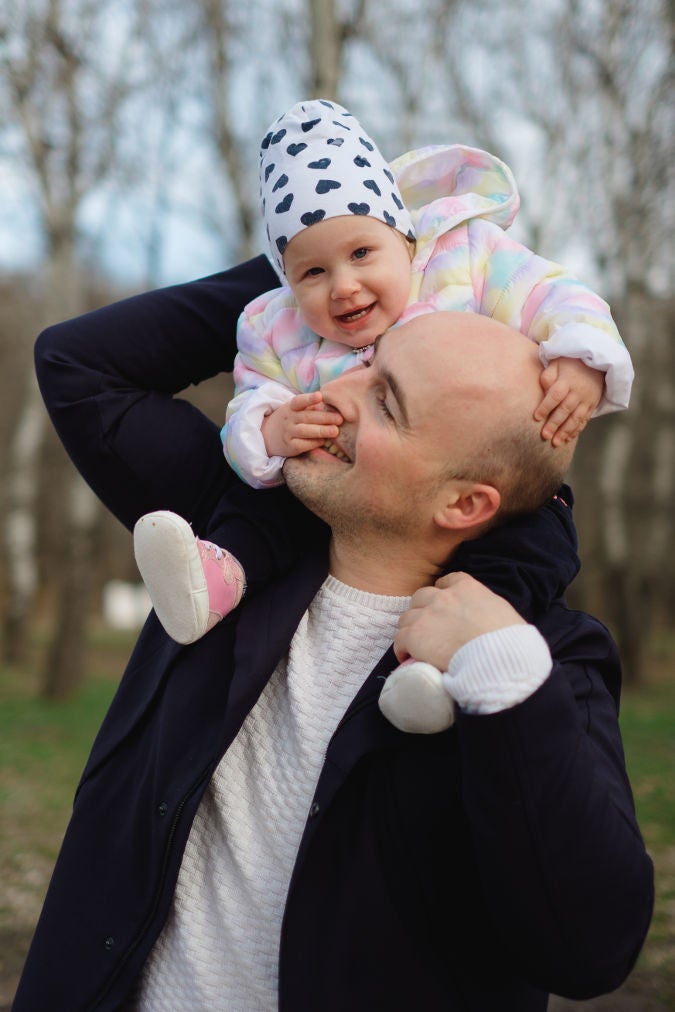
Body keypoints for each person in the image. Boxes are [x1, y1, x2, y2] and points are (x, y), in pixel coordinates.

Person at [14, 274, 652, 1010]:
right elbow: (77, 362)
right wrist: (344, 261)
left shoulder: (540, 663)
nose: (334, 393)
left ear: (464, 504)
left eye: (385, 402)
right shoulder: (223, 552)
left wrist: (499, 672)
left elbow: (590, 948)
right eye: (363, 364)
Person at [132, 99, 634, 670]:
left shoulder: (462, 258)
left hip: (479, 470)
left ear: (406, 238)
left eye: (362, 253)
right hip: (352, 483)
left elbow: (556, 295)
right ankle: (218, 579)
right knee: (269, 504)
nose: (343, 286)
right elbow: (251, 398)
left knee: (538, 535)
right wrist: (272, 430)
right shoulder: (274, 325)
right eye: (312, 272)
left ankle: (466, 646)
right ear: (286, 280)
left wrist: (581, 357)